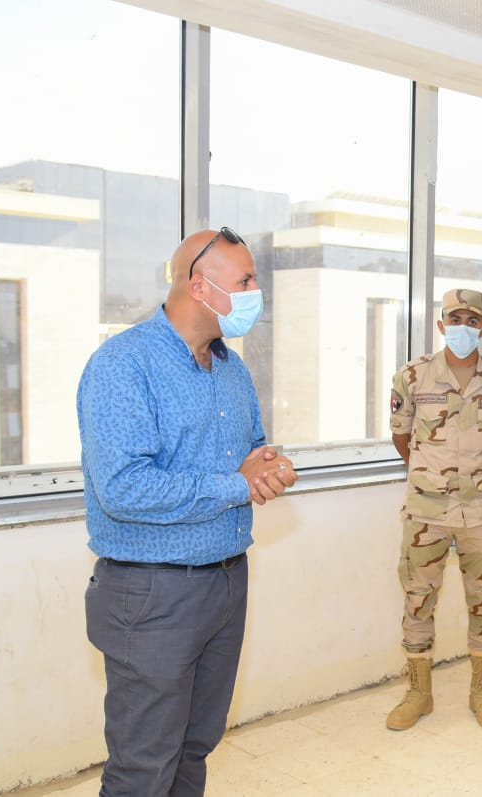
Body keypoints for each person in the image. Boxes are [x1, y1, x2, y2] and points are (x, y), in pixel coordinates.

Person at [77, 227, 298, 796]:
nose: (255, 293)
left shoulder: (231, 369)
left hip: (225, 584)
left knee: (195, 746)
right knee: (143, 767)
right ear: (199, 286)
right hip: (153, 594)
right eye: (245, 281)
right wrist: (235, 485)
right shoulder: (124, 365)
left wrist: (268, 466)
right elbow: (123, 488)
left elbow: (251, 451)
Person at [386, 288, 482, 730]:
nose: (464, 327)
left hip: (481, 512)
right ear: (442, 325)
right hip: (426, 511)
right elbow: (402, 437)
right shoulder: (412, 377)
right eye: (455, 319)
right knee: (417, 599)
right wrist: (432, 476)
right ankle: (418, 693)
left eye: (472, 320)